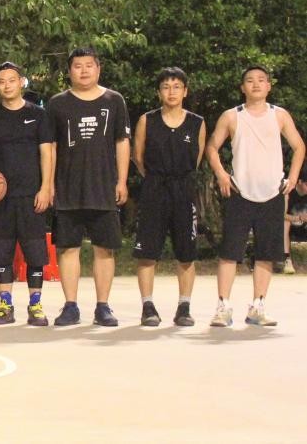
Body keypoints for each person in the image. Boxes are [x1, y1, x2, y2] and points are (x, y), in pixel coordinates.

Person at [205, 65, 304, 327]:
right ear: (242, 87)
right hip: (240, 191)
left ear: (269, 86)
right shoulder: (231, 116)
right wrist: (221, 174)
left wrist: (293, 178)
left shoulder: (279, 115)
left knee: (266, 253)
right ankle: (223, 306)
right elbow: (212, 147)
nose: (256, 84)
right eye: (250, 80)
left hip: (272, 193)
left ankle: (258, 306)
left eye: (261, 80)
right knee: (229, 251)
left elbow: (299, 146)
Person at [46, 47, 130, 327]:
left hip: (104, 185)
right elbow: (51, 146)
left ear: (98, 69)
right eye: (77, 66)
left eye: (89, 65)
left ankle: (103, 307)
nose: (83, 70)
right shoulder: (57, 103)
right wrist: (49, 183)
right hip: (67, 186)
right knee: (67, 248)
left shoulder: (114, 100)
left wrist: (122, 180)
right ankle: (70, 306)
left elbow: (122, 142)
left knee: (104, 248)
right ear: (69, 71)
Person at [0, 62, 54, 326]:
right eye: (2, 81)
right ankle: (5, 305)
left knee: (35, 253)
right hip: (1, 196)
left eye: (12, 80)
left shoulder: (38, 115)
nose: (7, 85)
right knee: (2, 252)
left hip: (31, 194)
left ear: (21, 82)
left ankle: (35, 305)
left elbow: (47, 152)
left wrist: (46, 187)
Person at [131, 67, 206, 327]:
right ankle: (147, 306)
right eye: (166, 87)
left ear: (185, 91)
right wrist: (154, 178)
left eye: (176, 87)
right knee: (147, 252)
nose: (171, 92)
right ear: (158, 92)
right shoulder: (147, 120)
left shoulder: (197, 122)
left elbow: (196, 158)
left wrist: (180, 180)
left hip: (183, 190)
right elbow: (138, 157)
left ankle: (184, 307)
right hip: (154, 189)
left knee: (186, 253)